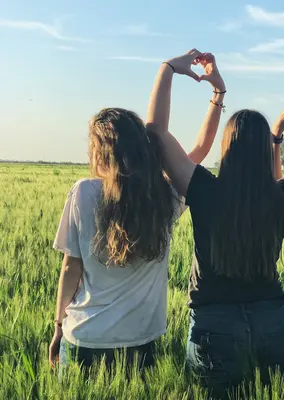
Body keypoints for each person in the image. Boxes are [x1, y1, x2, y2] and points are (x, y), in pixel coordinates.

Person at [145, 49, 284, 393]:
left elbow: (155, 133)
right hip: (272, 323)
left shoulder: (204, 190)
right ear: (264, 150)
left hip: (213, 325)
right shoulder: (282, 197)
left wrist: (167, 69)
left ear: (227, 148)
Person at [48, 51, 223, 372]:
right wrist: (217, 94)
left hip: (85, 337)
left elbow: (70, 269)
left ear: (98, 150)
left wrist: (58, 325)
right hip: (140, 341)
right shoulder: (163, 195)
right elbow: (197, 152)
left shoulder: (83, 192)